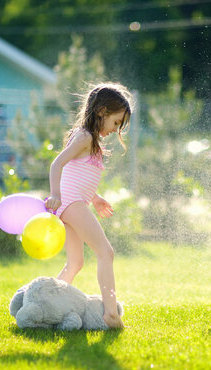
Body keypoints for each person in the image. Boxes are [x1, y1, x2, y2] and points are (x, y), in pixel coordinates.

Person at [45, 83, 132, 329]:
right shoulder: (84, 137)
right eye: (116, 122)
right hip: (70, 203)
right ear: (102, 112)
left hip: (75, 203)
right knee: (106, 252)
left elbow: (79, 176)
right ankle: (111, 314)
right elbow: (57, 165)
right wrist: (55, 195)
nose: (116, 130)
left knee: (75, 263)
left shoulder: (91, 141)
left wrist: (96, 198)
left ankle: (51, 305)